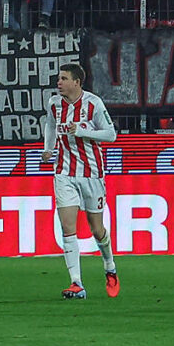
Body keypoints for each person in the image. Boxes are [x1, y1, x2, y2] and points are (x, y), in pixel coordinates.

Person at [42, 62, 119, 299]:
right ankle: (76, 283)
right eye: (58, 78)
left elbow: (111, 135)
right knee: (68, 227)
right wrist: (48, 148)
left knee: (97, 230)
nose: (59, 82)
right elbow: (51, 125)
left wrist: (84, 131)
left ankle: (110, 267)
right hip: (64, 172)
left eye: (64, 78)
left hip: (92, 174)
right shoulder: (54, 103)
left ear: (76, 82)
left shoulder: (93, 103)